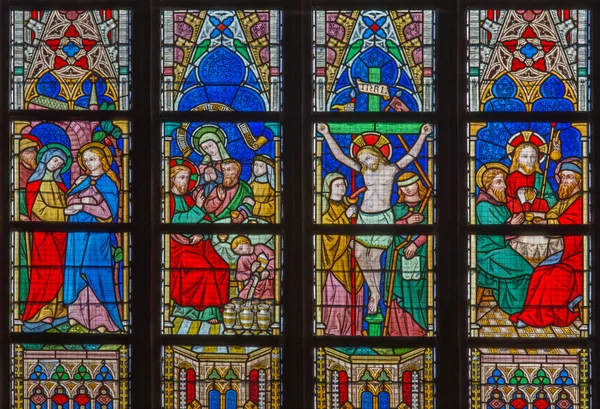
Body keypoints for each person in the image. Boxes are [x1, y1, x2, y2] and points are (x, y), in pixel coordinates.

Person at [317, 122, 432, 314]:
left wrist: (422, 135)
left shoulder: (392, 169)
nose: (365, 162)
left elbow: (411, 156)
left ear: (377, 154)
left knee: (375, 257)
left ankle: (374, 295)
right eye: (362, 160)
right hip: (364, 217)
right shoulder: (364, 171)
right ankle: (375, 292)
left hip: (383, 219)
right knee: (360, 254)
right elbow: (340, 156)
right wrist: (327, 133)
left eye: (367, 157)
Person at [510, 159, 584, 328]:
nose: (564, 180)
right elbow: (556, 216)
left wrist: (549, 223)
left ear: (579, 180)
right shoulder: (567, 199)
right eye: (563, 176)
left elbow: (572, 223)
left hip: (580, 255)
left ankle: (552, 314)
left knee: (553, 277)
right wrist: (547, 220)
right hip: (568, 251)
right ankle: (530, 315)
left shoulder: (581, 201)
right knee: (539, 272)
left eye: (569, 177)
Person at [63, 143, 123, 332]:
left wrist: (83, 205)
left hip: (97, 237)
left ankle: (102, 320)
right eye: (86, 160)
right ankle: (76, 316)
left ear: (102, 160)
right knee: (76, 271)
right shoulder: (82, 180)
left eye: (93, 159)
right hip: (77, 234)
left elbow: (107, 213)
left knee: (95, 271)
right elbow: (69, 199)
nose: (89, 163)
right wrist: (82, 201)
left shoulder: (108, 183)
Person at [168, 158, 229, 325]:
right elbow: (175, 221)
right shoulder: (168, 200)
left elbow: (206, 222)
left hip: (199, 245)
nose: (185, 181)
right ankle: (200, 312)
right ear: (172, 178)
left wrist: (203, 235)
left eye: (187, 178)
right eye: (181, 177)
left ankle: (217, 308)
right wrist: (198, 207)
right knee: (205, 270)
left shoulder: (188, 199)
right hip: (178, 249)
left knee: (221, 267)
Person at [21, 144, 70, 329]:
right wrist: (65, 212)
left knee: (59, 272)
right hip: (43, 237)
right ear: (45, 160)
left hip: (61, 236)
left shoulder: (59, 185)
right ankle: (41, 312)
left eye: (60, 163)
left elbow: (66, 201)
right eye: (55, 160)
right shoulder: (35, 183)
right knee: (45, 272)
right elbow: (39, 209)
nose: (56, 165)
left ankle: (57, 309)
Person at [475, 163, 533, 315]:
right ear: (488, 185)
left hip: (500, 249)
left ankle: (520, 306)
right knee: (527, 270)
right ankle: (516, 308)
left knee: (526, 265)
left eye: (504, 181)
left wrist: (513, 223)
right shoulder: (483, 206)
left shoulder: (498, 202)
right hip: (487, 253)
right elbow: (493, 233)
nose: (504, 186)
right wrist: (511, 224)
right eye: (499, 182)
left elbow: (503, 225)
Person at [384, 172, 430, 336]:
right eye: (403, 186)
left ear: (419, 184)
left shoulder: (428, 205)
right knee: (398, 293)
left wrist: (415, 244)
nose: (407, 189)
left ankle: (418, 331)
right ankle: (397, 332)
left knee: (418, 292)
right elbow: (387, 227)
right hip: (397, 259)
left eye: (410, 184)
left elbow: (430, 230)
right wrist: (405, 222)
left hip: (421, 257)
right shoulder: (397, 208)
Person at [320, 172, 363, 336]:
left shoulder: (348, 206)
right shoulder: (325, 208)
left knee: (355, 294)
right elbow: (327, 236)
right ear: (328, 188)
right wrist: (346, 216)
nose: (342, 188)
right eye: (337, 185)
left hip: (354, 260)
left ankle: (354, 331)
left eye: (343, 184)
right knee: (337, 298)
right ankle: (333, 332)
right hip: (336, 263)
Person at [17, 135, 41, 316]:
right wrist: (16, 214)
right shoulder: (14, 174)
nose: (32, 155)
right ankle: (22, 305)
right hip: (20, 232)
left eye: (34, 150)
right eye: (28, 151)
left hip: (37, 228)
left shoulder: (41, 174)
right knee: (22, 264)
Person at [505, 136, 556, 214]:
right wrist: (521, 201)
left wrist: (534, 201)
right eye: (525, 156)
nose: (529, 161)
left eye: (533, 157)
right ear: (517, 159)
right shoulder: (511, 179)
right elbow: (505, 203)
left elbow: (552, 200)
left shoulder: (540, 178)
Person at [204, 158, 254, 223]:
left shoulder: (244, 188)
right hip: (216, 222)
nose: (225, 173)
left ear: (236, 172)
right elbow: (207, 208)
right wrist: (219, 199)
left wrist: (242, 215)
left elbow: (248, 204)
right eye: (223, 170)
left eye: (229, 170)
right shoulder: (219, 188)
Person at [231, 235, 275, 300]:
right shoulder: (242, 259)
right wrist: (251, 271)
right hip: (253, 283)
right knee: (242, 297)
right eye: (237, 252)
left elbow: (275, 259)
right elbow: (239, 276)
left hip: (268, 283)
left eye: (241, 248)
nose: (241, 252)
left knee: (268, 298)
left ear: (247, 243)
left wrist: (268, 271)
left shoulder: (261, 248)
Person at [192, 125, 231, 197]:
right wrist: (204, 178)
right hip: (204, 198)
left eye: (210, 145)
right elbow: (195, 183)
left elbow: (233, 182)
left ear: (217, 143)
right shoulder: (203, 165)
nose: (209, 150)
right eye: (205, 148)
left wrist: (217, 176)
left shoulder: (229, 163)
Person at [249, 154, 276, 223]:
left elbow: (273, 208)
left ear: (268, 168)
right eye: (255, 165)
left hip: (267, 222)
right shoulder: (250, 185)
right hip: (250, 221)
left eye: (261, 166)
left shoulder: (272, 188)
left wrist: (254, 204)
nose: (256, 168)